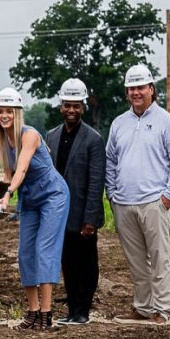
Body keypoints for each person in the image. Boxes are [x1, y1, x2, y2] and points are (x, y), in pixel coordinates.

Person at [106, 64, 170, 326]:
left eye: (141, 87)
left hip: (154, 203)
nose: (136, 92)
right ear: (127, 92)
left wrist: (167, 198)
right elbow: (111, 160)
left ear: (151, 89)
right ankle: (142, 307)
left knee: (160, 258)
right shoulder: (119, 123)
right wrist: (112, 194)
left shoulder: (166, 122)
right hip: (124, 203)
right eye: (131, 88)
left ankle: (161, 311)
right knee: (137, 261)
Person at [0, 87, 69, 330]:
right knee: (25, 253)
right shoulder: (4, 140)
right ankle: (33, 312)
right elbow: (9, 174)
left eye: (9, 111)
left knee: (44, 250)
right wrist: (0, 195)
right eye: (0, 112)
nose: (4, 116)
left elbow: (22, 169)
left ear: (18, 113)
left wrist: (8, 193)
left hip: (52, 195)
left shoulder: (30, 135)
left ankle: (46, 315)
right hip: (30, 199)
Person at [45, 79, 105, 325]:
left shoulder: (93, 139)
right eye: (67, 105)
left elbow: (95, 181)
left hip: (83, 214)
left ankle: (83, 310)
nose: (71, 110)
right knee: (67, 262)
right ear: (61, 106)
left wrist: (90, 218)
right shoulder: (51, 136)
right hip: (60, 214)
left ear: (83, 107)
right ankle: (72, 309)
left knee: (87, 263)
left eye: (76, 106)